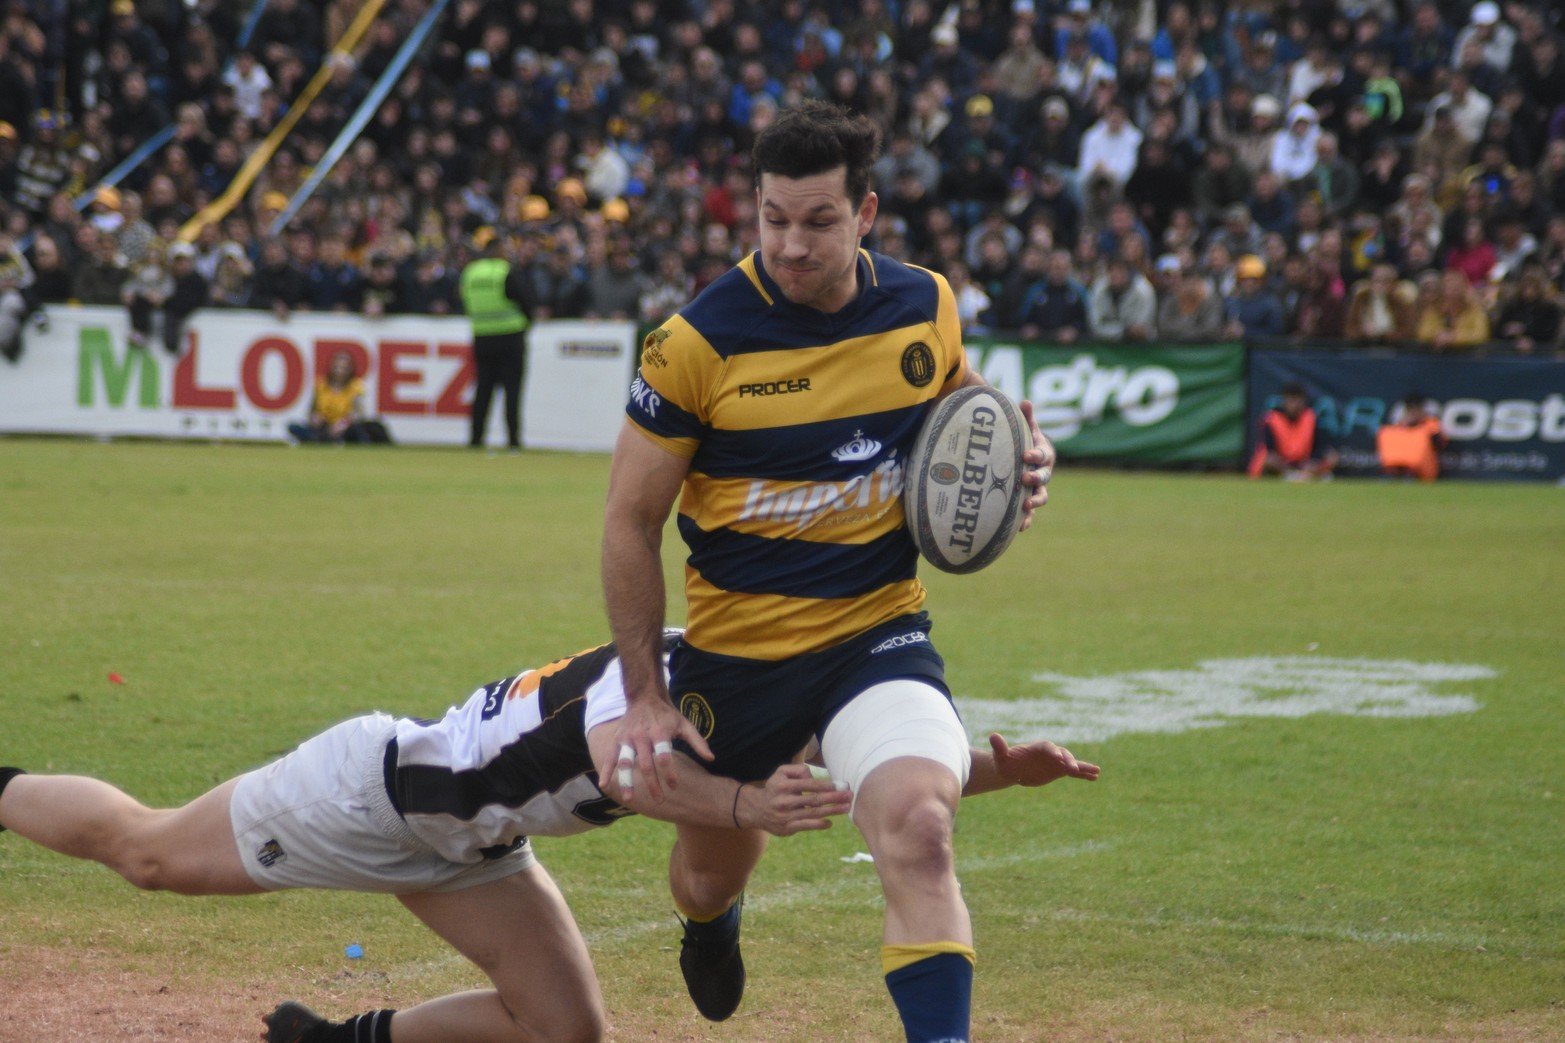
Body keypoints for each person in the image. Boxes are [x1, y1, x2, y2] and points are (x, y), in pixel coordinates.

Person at [0, 631, 1096, 1043]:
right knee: (145, 853)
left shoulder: (769, 677)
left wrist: (1001, 765)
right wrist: (735, 808)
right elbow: (626, 761)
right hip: (371, 794)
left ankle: (343, 1041)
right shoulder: (662, 661)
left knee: (566, 1031)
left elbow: (873, 771)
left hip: (475, 845)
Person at [598, 101, 1055, 1043]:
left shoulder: (922, 303)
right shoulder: (695, 343)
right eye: (772, 219)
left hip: (875, 634)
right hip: (740, 660)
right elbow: (630, 520)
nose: (791, 245)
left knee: (921, 832)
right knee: (710, 871)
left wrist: (1017, 446)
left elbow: (959, 398)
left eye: (817, 221)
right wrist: (646, 694)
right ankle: (708, 920)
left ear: (867, 213)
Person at [459, 229, 532, 451]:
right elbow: (526, 300)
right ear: (498, 250)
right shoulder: (505, 271)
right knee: (512, 391)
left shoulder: (470, 273)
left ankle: (475, 439)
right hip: (510, 336)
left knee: (483, 390)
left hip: (482, 337)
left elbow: (463, 300)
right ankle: (513, 441)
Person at [287, 349, 381, 444]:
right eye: (337, 366)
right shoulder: (321, 385)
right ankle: (319, 440)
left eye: (344, 367)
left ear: (350, 369)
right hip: (324, 426)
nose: (340, 370)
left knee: (356, 431)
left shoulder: (356, 387)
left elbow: (358, 414)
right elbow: (312, 410)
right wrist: (315, 418)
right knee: (294, 427)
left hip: (345, 427)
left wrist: (342, 424)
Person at [1248, 382, 1339, 480]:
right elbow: (1270, 449)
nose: (1294, 404)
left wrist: (1312, 462)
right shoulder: (1272, 418)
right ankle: (1295, 476)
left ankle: (1307, 475)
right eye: (1291, 400)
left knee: (1333, 457)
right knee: (1268, 459)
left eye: (1297, 400)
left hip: (1303, 463)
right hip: (1281, 464)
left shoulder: (1310, 417)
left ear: (1303, 401)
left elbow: (1319, 446)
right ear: (1284, 400)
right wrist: (1285, 464)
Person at [1376, 392, 1447, 481]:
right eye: (1410, 409)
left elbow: (1441, 444)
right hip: (1394, 467)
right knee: (1387, 432)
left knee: (1420, 434)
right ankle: (1392, 471)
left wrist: (1419, 425)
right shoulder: (1397, 426)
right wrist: (1406, 426)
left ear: (1422, 409)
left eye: (1416, 408)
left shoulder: (1431, 424)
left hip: (1421, 469)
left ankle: (1409, 472)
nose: (1413, 412)